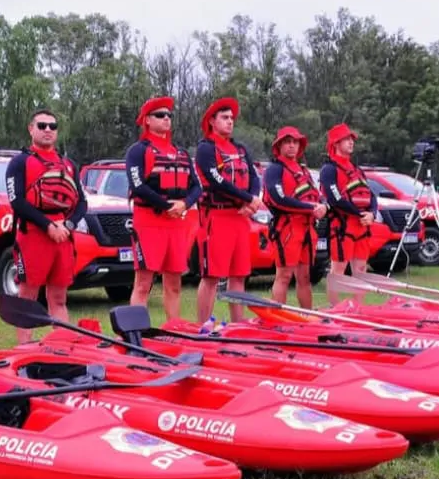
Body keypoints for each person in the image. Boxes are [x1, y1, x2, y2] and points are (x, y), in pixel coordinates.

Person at [5, 109, 88, 344]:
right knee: (27, 297)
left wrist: (68, 225)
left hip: (63, 236)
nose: (48, 130)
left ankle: (63, 348)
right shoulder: (20, 162)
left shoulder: (68, 164)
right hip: (33, 235)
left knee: (59, 297)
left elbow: (81, 202)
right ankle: (24, 348)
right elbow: (16, 201)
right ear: (31, 129)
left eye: (53, 126)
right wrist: (48, 225)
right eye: (42, 126)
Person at [124, 96, 202, 320]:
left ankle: (174, 329)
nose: (166, 119)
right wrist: (166, 205)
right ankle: (135, 332)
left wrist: (184, 204)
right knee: (143, 283)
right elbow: (137, 186)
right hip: (148, 221)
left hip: (176, 223)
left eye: (169, 115)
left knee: (174, 282)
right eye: (160, 115)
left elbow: (197, 186)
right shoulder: (138, 151)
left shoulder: (181, 153)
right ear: (147, 120)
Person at [193, 97, 260, 324]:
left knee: (239, 275)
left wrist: (253, 199)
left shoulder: (240, 148)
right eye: (224, 117)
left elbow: (253, 175)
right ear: (212, 121)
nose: (230, 122)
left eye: (232, 118)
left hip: (240, 217)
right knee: (211, 276)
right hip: (217, 216)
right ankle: (203, 327)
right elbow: (216, 180)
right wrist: (247, 198)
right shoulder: (206, 148)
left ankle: (238, 326)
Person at [262, 126, 328, 310]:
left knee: (305, 277)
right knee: (283, 275)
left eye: (295, 142)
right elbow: (278, 199)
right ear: (279, 146)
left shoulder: (303, 171)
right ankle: (277, 320)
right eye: (288, 142)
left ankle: (306, 317)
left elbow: (316, 194)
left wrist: (323, 205)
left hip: (307, 228)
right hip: (287, 228)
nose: (292, 146)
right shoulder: (274, 169)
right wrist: (311, 208)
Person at [320, 123, 376, 305]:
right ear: (336, 143)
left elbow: (371, 195)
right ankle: (334, 309)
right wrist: (360, 213)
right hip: (343, 226)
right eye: (346, 139)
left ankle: (358, 308)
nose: (351, 142)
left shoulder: (357, 170)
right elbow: (335, 199)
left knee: (360, 269)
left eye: (352, 139)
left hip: (362, 226)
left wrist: (372, 214)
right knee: (338, 270)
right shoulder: (329, 169)